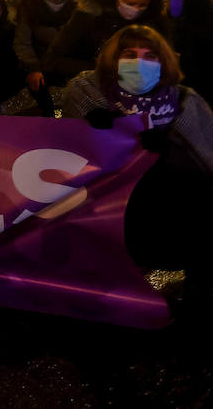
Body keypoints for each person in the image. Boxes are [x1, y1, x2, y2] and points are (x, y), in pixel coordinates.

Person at [60, 25, 213, 293]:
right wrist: (98, 130)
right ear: (113, 59)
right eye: (129, 54)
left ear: (163, 61)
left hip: (174, 211)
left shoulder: (186, 101)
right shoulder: (86, 93)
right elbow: (67, 154)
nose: (139, 63)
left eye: (150, 56)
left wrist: (170, 151)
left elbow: (207, 158)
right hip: (111, 211)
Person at [46, 0, 170, 82]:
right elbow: (54, 60)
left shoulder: (154, 22)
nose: (136, 9)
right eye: (130, 4)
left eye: (142, 5)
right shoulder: (88, 17)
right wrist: (103, 68)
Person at [13, 0, 76, 115]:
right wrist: (33, 68)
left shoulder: (79, 4)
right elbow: (23, 42)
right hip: (41, 60)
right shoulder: (29, 5)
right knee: (37, 86)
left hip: (72, 60)